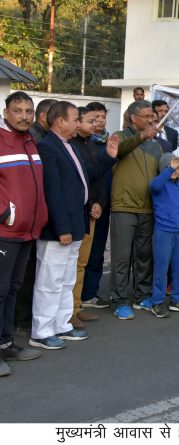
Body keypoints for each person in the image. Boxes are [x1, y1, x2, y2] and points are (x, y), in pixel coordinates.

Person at [30, 101, 117, 349]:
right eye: (75, 119)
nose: (78, 123)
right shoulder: (47, 147)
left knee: (66, 279)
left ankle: (61, 324)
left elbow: (87, 174)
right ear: (60, 121)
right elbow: (52, 191)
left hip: (75, 224)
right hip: (60, 229)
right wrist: (62, 228)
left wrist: (109, 157)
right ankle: (42, 331)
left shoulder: (68, 146)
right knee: (50, 280)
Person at [0, 92, 47, 376]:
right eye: (17, 110)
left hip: (28, 231)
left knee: (12, 290)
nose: (24, 116)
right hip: (5, 230)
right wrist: (5, 212)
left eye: (28, 111)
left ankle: (6, 343)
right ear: (6, 113)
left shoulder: (30, 141)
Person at [108, 101, 160, 320]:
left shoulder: (156, 145)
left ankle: (142, 296)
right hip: (124, 207)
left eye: (152, 116)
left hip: (147, 209)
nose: (151, 120)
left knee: (144, 256)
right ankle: (119, 300)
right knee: (121, 257)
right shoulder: (119, 136)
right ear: (133, 118)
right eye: (146, 116)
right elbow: (118, 151)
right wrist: (141, 137)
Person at [138, 154, 179, 318]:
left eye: (178, 167)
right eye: (170, 167)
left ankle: (177, 300)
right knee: (161, 269)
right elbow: (155, 185)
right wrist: (170, 168)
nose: (174, 170)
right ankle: (157, 301)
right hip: (163, 232)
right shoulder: (159, 185)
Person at [68, 107, 108, 329]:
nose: (95, 124)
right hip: (76, 214)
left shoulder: (91, 143)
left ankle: (76, 307)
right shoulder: (69, 145)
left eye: (97, 120)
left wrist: (99, 203)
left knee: (81, 263)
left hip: (92, 213)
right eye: (89, 120)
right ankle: (67, 311)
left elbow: (98, 178)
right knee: (70, 266)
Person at [80, 101, 113, 310]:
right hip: (85, 206)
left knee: (98, 250)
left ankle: (90, 293)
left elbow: (103, 177)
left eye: (102, 117)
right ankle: (77, 297)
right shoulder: (81, 143)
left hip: (103, 204)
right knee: (81, 255)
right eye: (94, 118)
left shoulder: (111, 142)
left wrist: (102, 202)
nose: (99, 122)